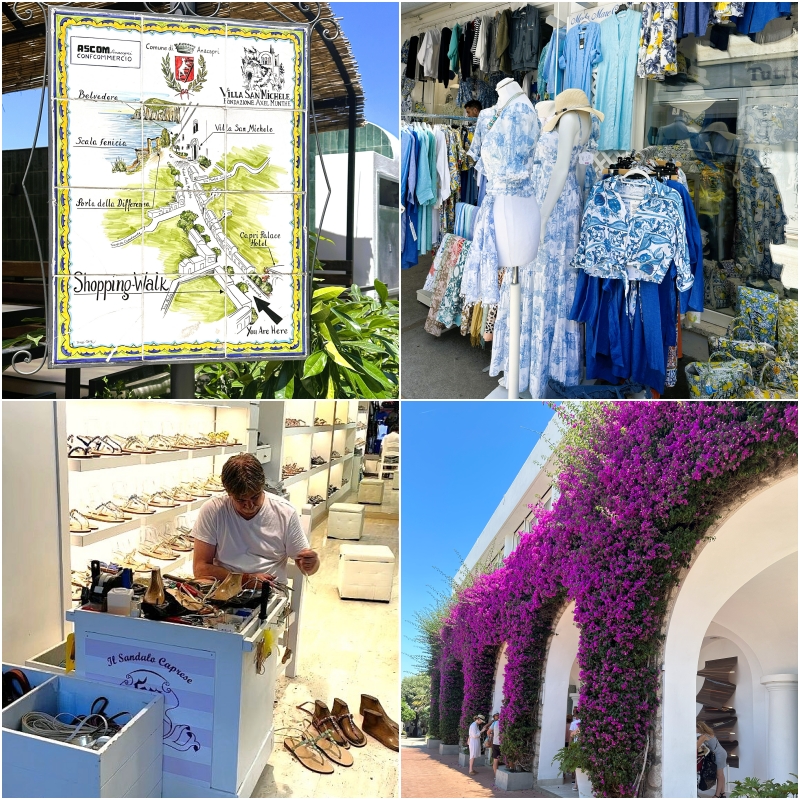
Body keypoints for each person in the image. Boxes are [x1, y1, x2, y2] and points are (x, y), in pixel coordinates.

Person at [193, 453, 320, 588]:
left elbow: (309, 569)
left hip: (270, 591)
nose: (249, 506)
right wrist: (246, 580)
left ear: (262, 486)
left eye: (255, 497)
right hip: (225, 588)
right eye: (240, 500)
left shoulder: (285, 512)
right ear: (228, 493)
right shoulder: (213, 510)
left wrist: (312, 564)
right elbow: (200, 569)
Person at [697, 721, 728, 798]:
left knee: (719, 775)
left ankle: (717, 795)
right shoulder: (708, 733)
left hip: (719, 755)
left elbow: (696, 746)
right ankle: (723, 793)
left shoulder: (703, 736)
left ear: (699, 728)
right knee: (721, 774)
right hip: (721, 752)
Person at [488, 712, 502, 781]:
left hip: (495, 743)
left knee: (495, 760)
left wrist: (491, 735)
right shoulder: (505, 723)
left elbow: (488, 731)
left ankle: (496, 776)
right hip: (503, 744)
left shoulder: (495, 723)